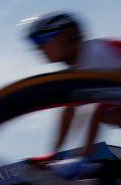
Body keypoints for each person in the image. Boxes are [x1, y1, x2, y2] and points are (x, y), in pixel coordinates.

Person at [23, 12, 121, 157]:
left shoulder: (98, 52)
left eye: (40, 40)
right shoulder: (78, 68)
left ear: (64, 36)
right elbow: (69, 112)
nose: (38, 49)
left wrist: (83, 158)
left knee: (98, 110)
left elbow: (91, 112)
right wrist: (55, 155)